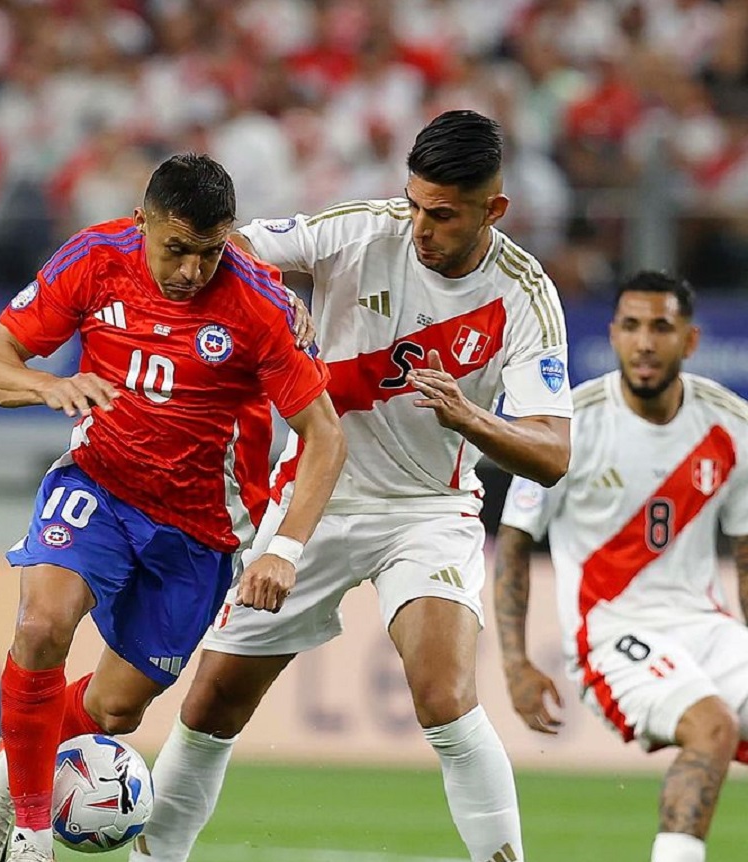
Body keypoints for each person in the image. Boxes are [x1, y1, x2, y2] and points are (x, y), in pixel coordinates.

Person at [133, 110, 573, 862]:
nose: (420, 227)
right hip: (316, 497)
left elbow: (553, 452)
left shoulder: (525, 296)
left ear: (492, 210)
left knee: (445, 698)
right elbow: (232, 245)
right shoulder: (362, 230)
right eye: (413, 204)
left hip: (428, 512)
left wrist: (471, 417)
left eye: (442, 214)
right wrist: (268, 291)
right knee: (211, 704)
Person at [0, 152, 346, 862]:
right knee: (42, 623)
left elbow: (325, 436)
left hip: (201, 532)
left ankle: (10, 769)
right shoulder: (94, 259)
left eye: (210, 251)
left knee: (116, 710)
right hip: (98, 486)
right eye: (177, 250)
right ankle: (34, 839)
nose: (195, 270)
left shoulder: (259, 304)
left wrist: (284, 549)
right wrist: (48, 387)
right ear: (143, 222)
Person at [496, 272, 748, 862]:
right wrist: (514, 661)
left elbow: (745, 552)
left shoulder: (731, 426)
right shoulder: (570, 426)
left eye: (661, 327)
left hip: (704, 625)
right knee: (711, 728)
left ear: (689, 340)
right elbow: (513, 541)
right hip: (609, 633)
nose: (644, 343)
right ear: (612, 335)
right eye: (631, 326)